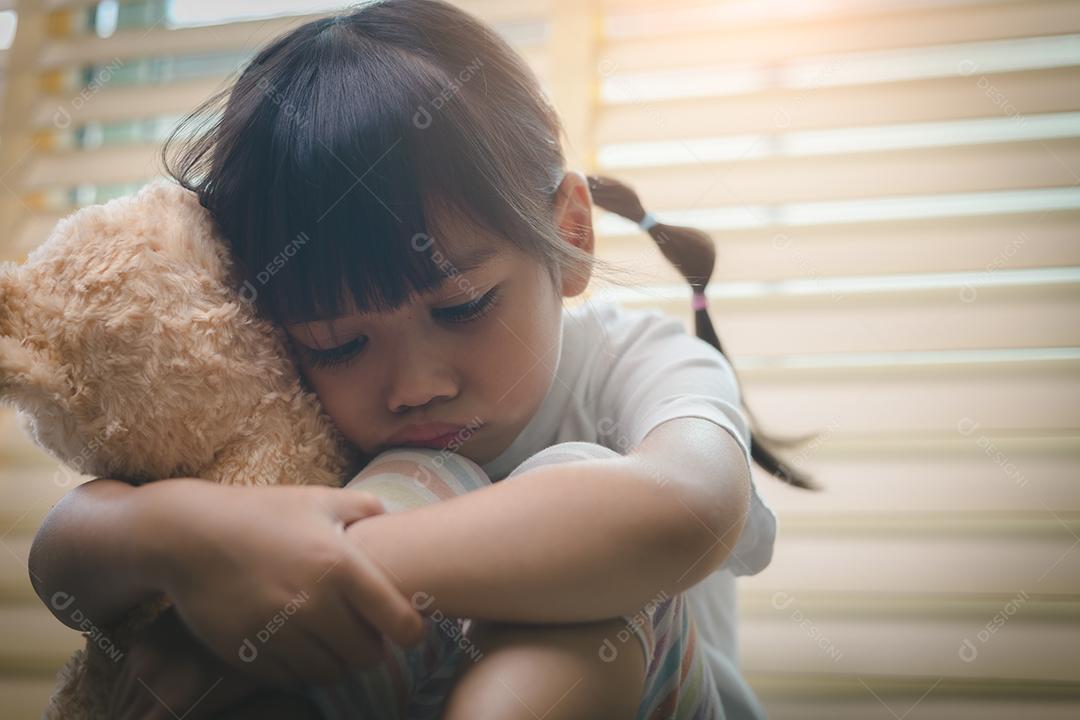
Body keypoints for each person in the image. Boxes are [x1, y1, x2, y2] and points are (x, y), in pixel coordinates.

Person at [27, 1, 777, 717]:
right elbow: (64, 555)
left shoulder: (635, 360)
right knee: (412, 482)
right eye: (339, 344)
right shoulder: (286, 390)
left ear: (572, 236)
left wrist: (303, 580)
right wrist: (190, 548)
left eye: (463, 307)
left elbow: (690, 508)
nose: (414, 387)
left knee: (562, 484)